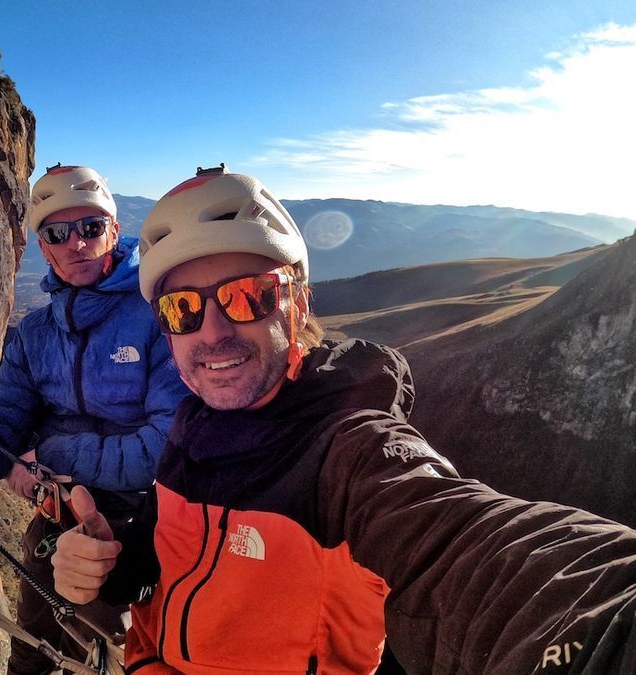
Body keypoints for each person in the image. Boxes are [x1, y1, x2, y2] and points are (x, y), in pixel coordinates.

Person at [51, 166, 636, 673]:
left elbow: (467, 547)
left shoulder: (352, 452)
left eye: (248, 295)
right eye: (183, 308)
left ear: (298, 302)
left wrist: (607, 630)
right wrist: (108, 563)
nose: (213, 332)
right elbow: (161, 563)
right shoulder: (193, 423)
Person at [0, 164, 191, 674]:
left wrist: (52, 455)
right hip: (59, 518)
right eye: (59, 233)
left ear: (114, 233)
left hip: (147, 523)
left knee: (134, 654)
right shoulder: (35, 335)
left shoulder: (155, 316)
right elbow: (1, 432)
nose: (76, 243)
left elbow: (163, 448)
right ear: (43, 244)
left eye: (91, 228)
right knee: (33, 648)